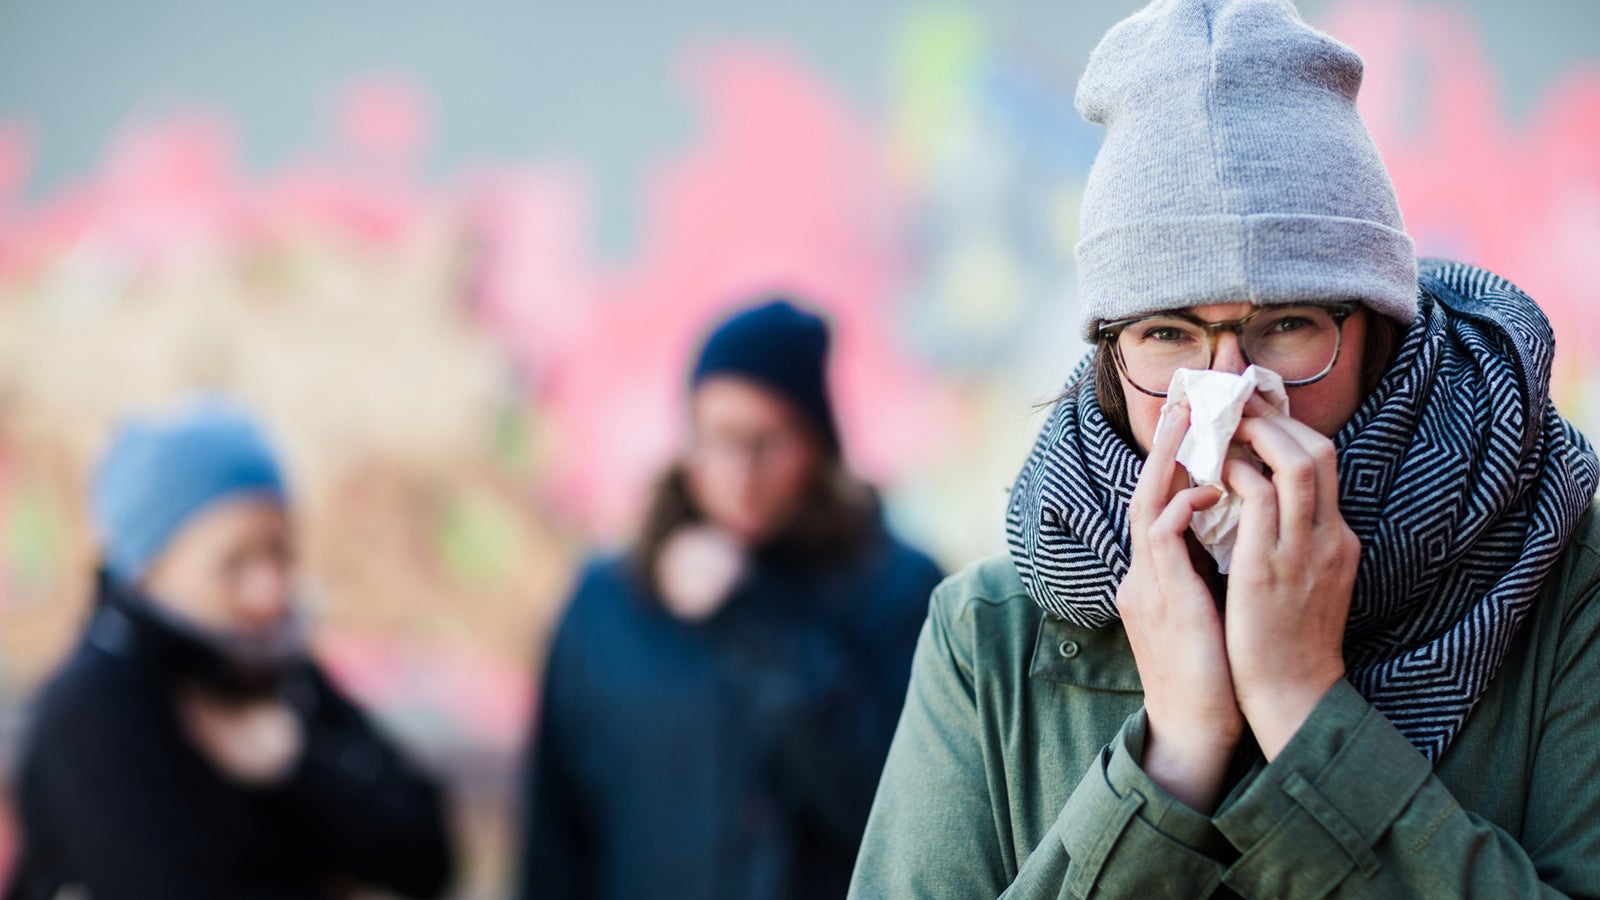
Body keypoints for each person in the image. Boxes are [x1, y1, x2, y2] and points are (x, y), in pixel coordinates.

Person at [849, 1, 1600, 897]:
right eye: (1170, 334)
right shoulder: (990, 636)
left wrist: (1304, 710)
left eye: (1286, 324)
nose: (1230, 391)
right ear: (1109, 355)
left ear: (1379, 337)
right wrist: (1169, 763)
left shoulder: (1559, 579)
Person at [517, 299, 944, 900]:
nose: (739, 470)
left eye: (767, 443)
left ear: (817, 448)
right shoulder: (607, 603)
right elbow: (554, 832)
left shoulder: (894, 590)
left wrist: (753, 614)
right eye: (717, 438)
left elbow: (900, 811)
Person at [6, 397, 455, 900]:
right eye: (233, 564)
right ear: (149, 571)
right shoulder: (92, 712)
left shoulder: (281, 677)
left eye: (280, 554)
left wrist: (297, 769)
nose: (270, 590)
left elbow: (427, 853)